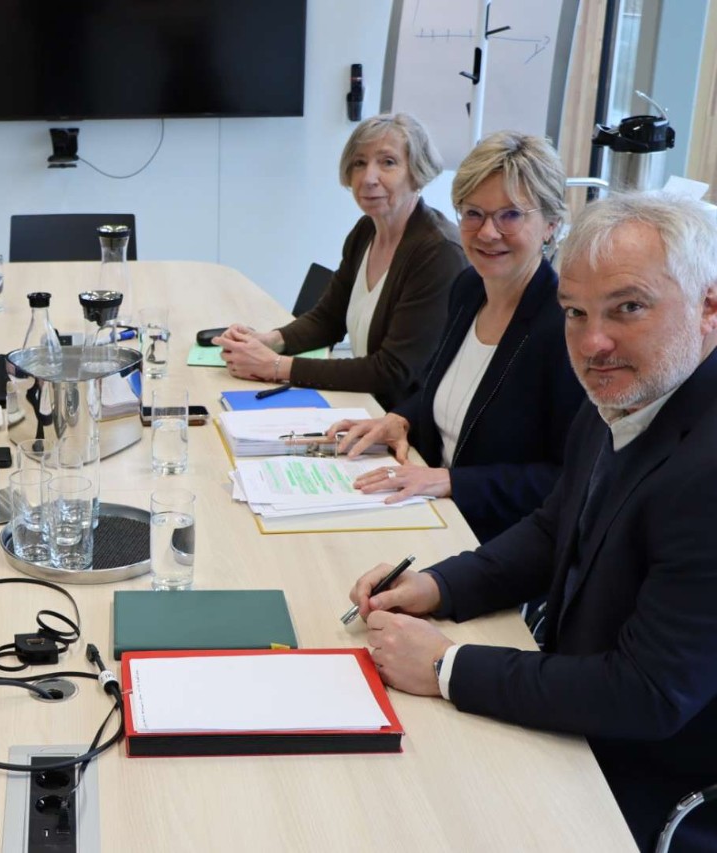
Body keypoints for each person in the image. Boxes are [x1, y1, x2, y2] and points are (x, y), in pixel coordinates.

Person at [349, 192, 717, 851]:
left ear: (708, 306)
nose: (593, 342)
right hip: (576, 718)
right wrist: (437, 585)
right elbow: (554, 529)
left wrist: (446, 667)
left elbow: (648, 693)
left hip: (643, 782)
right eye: (575, 312)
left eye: (628, 307)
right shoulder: (629, 390)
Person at [331, 132, 585, 544]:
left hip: (495, 540)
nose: (487, 233)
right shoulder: (468, 289)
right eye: (473, 213)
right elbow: (436, 387)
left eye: (510, 215)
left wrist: (451, 481)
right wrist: (401, 419)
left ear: (551, 225)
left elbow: (565, 478)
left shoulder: (564, 329)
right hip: (428, 510)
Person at [215, 112, 467, 409]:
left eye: (388, 162)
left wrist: (275, 366)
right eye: (359, 163)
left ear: (417, 173)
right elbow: (328, 319)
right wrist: (268, 341)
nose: (368, 178)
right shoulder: (366, 230)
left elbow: (392, 370)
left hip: (405, 423)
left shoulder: (439, 252)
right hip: (363, 404)